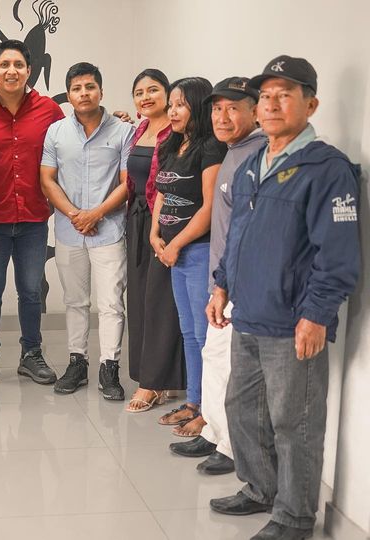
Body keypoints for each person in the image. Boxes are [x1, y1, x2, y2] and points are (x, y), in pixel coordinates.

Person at [208, 56, 360, 540]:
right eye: (266, 97)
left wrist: (317, 315)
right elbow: (238, 235)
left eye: (285, 95)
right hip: (248, 312)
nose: (272, 105)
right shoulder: (254, 163)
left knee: (295, 424)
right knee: (242, 410)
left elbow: (337, 255)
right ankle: (261, 488)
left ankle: (294, 517)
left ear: (310, 104)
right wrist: (222, 285)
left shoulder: (327, 168)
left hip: (293, 322)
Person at [169, 77, 265, 475]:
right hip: (221, 280)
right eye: (216, 109)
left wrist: (227, 284)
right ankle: (213, 433)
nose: (222, 117)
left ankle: (229, 447)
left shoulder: (258, 154)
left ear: (254, 112)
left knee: (228, 366)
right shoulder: (233, 151)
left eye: (232, 109)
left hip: (241, 284)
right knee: (213, 356)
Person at [0, 39, 65, 386]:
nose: (12, 71)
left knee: (31, 290)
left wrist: (118, 121)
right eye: (5, 65)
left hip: (33, 218)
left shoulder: (48, 110)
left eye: (19, 65)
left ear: (29, 70)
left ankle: (31, 354)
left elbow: (71, 141)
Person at [40, 62, 133, 399]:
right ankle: (77, 362)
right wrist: (75, 215)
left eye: (90, 87)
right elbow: (47, 179)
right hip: (69, 231)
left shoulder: (123, 131)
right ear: (68, 95)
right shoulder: (56, 132)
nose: (84, 93)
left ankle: (110, 368)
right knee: (75, 301)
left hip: (109, 231)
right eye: (77, 88)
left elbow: (127, 182)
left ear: (101, 92)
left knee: (111, 304)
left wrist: (96, 214)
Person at [151, 77, 227, 436]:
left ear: (197, 106)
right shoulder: (171, 143)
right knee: (188, 332)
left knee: (202, 334)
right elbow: (162, 194)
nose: (173, 111)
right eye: (171, 105)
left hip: (197, 251)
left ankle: (208, 412)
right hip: (172, 253)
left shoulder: (211, 148)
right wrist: (155, 235)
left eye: (180, 104)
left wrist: (176, 244)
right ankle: (194, 402)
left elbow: (209, 208)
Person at [122, 69, 186, 413]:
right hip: (137, 219)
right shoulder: (140, 129)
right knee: (140, 301)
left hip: (163, 222)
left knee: (160, 302)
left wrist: (159, 226)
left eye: (153, 90)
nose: (145, 97)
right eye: (139, 92)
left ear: (168, 94)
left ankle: (153, 383)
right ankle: (155, 375)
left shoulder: (176, 132)